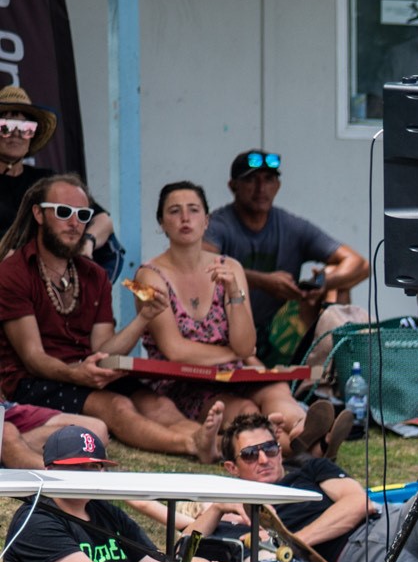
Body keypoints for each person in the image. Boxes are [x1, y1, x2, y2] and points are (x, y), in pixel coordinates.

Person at [0, 173, 221, 459]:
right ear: (39, 215)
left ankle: (211, 441)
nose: (74, 223)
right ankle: (191, 445)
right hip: (33, 380)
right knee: (116, 406)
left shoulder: (94, 275)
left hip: (86, 371)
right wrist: (75, 373)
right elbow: (33, 357)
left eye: (83, 215)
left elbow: (103, 349)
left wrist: (144, 318)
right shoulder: (14, 272)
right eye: (63, 212)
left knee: (157, 404)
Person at [134, 180, 317, 441]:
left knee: (276, 391)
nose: (185, 218)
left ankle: (304, 430)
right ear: (161, 223)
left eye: (194, 210)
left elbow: (245, 343)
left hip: (234, 373)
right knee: (246, 410)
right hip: (184, 382)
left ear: (206, 221)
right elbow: (175, 350)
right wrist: (233, 353)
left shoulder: (230, 267)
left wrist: (234, 293)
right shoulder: (150, 276)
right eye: (174, 211)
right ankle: (304, 444)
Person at [2, 424, 238, 562]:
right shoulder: (35, 519)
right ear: (49, 469)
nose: (87, 474)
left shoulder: (107, 512)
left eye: (94, 466)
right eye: (76, 466)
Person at [183, 412, 374, 562]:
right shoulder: (227, 517)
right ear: (232, 468)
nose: (263, 459)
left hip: (316, 561)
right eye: (250, 454)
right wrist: (217, 508)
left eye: (270, 449)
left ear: (280, 452)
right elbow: (183, 549)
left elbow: (360, 502)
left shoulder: (304, 474)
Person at [205, 150, 370, 362]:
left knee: (337, 281)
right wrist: (263, 282)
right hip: (228, 330)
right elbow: (203, 266)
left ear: (278, 186)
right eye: (251, 180)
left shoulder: (291, 226)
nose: (261, 188)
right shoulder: (218, 225)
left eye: (269, 179)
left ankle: (330, 372)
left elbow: (360, 264)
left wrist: (320, 282)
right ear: (233, 186)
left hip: (278, 331)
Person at [0, 86, 119, 279]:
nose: (16, 134)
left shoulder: (46, 181)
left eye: (25, 128)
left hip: (49, 283)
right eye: (5, 126)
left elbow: (103, 220)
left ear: (32, 136)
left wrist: (87, 242)